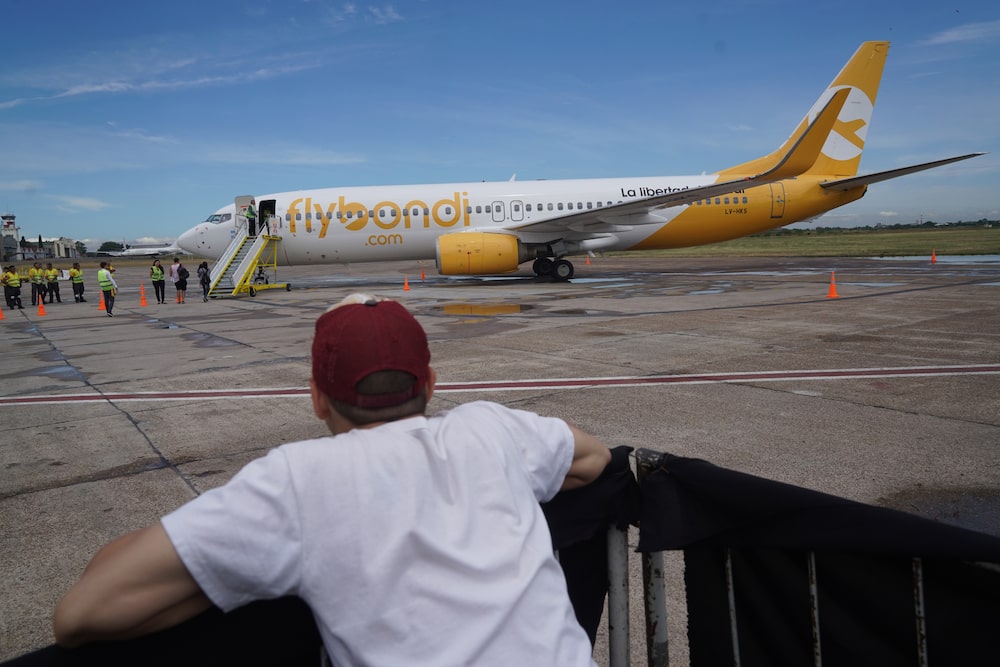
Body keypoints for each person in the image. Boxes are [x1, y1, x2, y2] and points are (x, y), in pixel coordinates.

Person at [50, 295, 610, 665]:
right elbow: (594, 460)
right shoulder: (492, 429)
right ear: (431, 383)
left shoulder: (299, 480)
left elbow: (82, 616)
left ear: (316, 397)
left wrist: (220, 581)